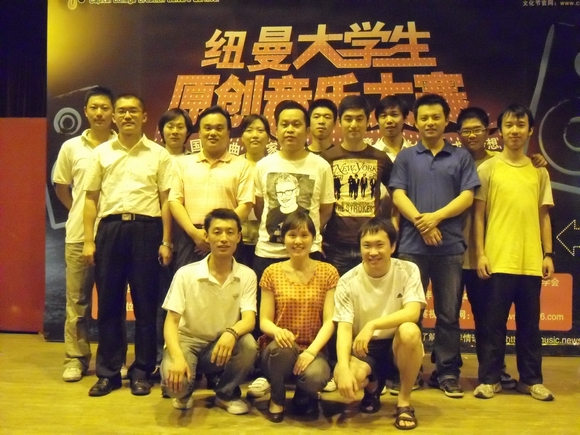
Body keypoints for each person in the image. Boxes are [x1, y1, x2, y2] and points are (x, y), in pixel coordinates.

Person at [388, 94, 480, 398]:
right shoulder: (406, 157)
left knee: (448, 314)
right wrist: (421, 223)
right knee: (408, 314)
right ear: (415, 121)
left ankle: (447, 372)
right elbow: (397, 195)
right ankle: (408, 372)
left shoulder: (461, 157)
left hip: (449, 247)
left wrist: (435, 218)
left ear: (446, 119)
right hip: (411, 247)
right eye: (424, 118)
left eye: (436, 117)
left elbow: (467, 197)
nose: (430, 122)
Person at [83, 94, 173, 397]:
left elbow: (166, 200)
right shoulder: (101, 153)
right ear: (114, 117)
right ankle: (108, 373)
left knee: (146, 305)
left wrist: (166, 240)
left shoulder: (159, 154)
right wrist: (88, 240)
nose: (127, 116)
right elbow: (91, 199)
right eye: (121, 111)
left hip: (147, 230)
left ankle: (142, 371)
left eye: (133, 111)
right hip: (110, 229)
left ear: (144, 116)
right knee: (109, 303)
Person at [473, 104, 555, 401]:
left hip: (530, 262)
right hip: (497, 260)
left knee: (530, 326)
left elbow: (543, 215)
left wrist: (548, 254)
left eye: (521, 125)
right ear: (500, 131)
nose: (515, 131)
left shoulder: (538, 171)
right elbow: (478, 216)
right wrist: (480, 254)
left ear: (530, 130)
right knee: (493, 325)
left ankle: (531, 380)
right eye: (509, 125)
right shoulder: (488, 168)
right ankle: (490, 380)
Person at [161, 208, 258, 414]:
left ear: (239, 237)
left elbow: (249, 319)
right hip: (187, 342)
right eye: (217, 232)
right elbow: (171, 322)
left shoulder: (247, 275)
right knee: (176, 389)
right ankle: (184, 391)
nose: (223, 238)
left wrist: (231, 333)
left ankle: (225, 394)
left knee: (248, 344)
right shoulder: (186, 274)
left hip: (220, 344)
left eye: (230, 232)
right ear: (206, 236)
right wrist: (177, 357)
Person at [333, 217, 425, 430]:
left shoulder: (408, 270)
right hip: (366, 348)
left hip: (396, 344)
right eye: (367, 246)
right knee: (344, 376)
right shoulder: (347, 281)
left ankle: (404, 402)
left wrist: (372, 325)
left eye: (379, 245)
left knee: (410, 331)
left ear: (392, 246)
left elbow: (412, 312)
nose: (373, 252)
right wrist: (344, 368)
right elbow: (344, 328)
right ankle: (373, 386)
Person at [53, 86, 116, 382]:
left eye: (105, 107)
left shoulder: (122, 145)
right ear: (85, 112)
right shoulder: (71, 147)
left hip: (114, 234)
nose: (99, 113)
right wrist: (78, 211)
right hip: (79, 235)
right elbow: (61, 187)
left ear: (113, 112)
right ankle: (75, 358)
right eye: (94, 107)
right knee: (77, 303)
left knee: (111, 302)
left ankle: (111, 359)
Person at [255, 212, 338, 422]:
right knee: (283, 348)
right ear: (283, 239)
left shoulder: (328, 272)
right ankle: (277, 398)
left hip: (313, 349)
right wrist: (277, 331)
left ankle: (305, 393)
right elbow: (264, 320)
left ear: (314, 238)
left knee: (315, 376)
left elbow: (330, 321)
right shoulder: (271, 272)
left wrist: (311, 351)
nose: (298, 241)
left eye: (304, 235)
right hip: (278, 348)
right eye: (292, 235)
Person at [253, 100, 335, 279]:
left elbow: (326, 210)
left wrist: (304, 235)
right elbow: (260, 207)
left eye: (296, 125)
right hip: (268, 253)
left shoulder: (321, 166)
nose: (290, 130)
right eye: (284, 125)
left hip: (308, 252)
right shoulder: (263, 165)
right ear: (276, 131)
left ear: (307, 131)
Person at [169, 105, 254, 271]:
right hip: (191, 238)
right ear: (200, 133)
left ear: (228, 133)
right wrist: (194, 233)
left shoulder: (242, 165)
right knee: (188, 285)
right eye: (207, 128)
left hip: (227, 237)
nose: (213, 133)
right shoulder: (182, 164)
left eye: (219, 128)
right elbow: (174, 201)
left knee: (229, 285)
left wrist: (217, 233)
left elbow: (246, 204)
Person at [321, 95, 393, 276]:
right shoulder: (327, 158)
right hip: (336, 245)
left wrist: (392, 225)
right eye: (348, 119)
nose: (354, 124)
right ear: (339, 122)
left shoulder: (381, 157)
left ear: (368, 122)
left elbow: (397, 194)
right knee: (338, 293)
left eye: (359, 119)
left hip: (371, 243)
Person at [152, 108, 196, 381]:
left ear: (188, 132)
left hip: (187, 236)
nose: (175, 131)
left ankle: (187, 354)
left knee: (185, 299)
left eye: (180, 126)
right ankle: (160, 356)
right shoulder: (154, 157)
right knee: (161, 298)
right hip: (153, 233)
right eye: (170, 126)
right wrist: (164, 240)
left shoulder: (193, 161)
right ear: (162, 130)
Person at [237, 114, 272, 269]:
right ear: (242, 137)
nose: (255, 135)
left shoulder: (276, 165)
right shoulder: (233, 164)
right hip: (238, 237)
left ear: (269, 137)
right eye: (249, 130)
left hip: (267, 238)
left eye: (260, 130)